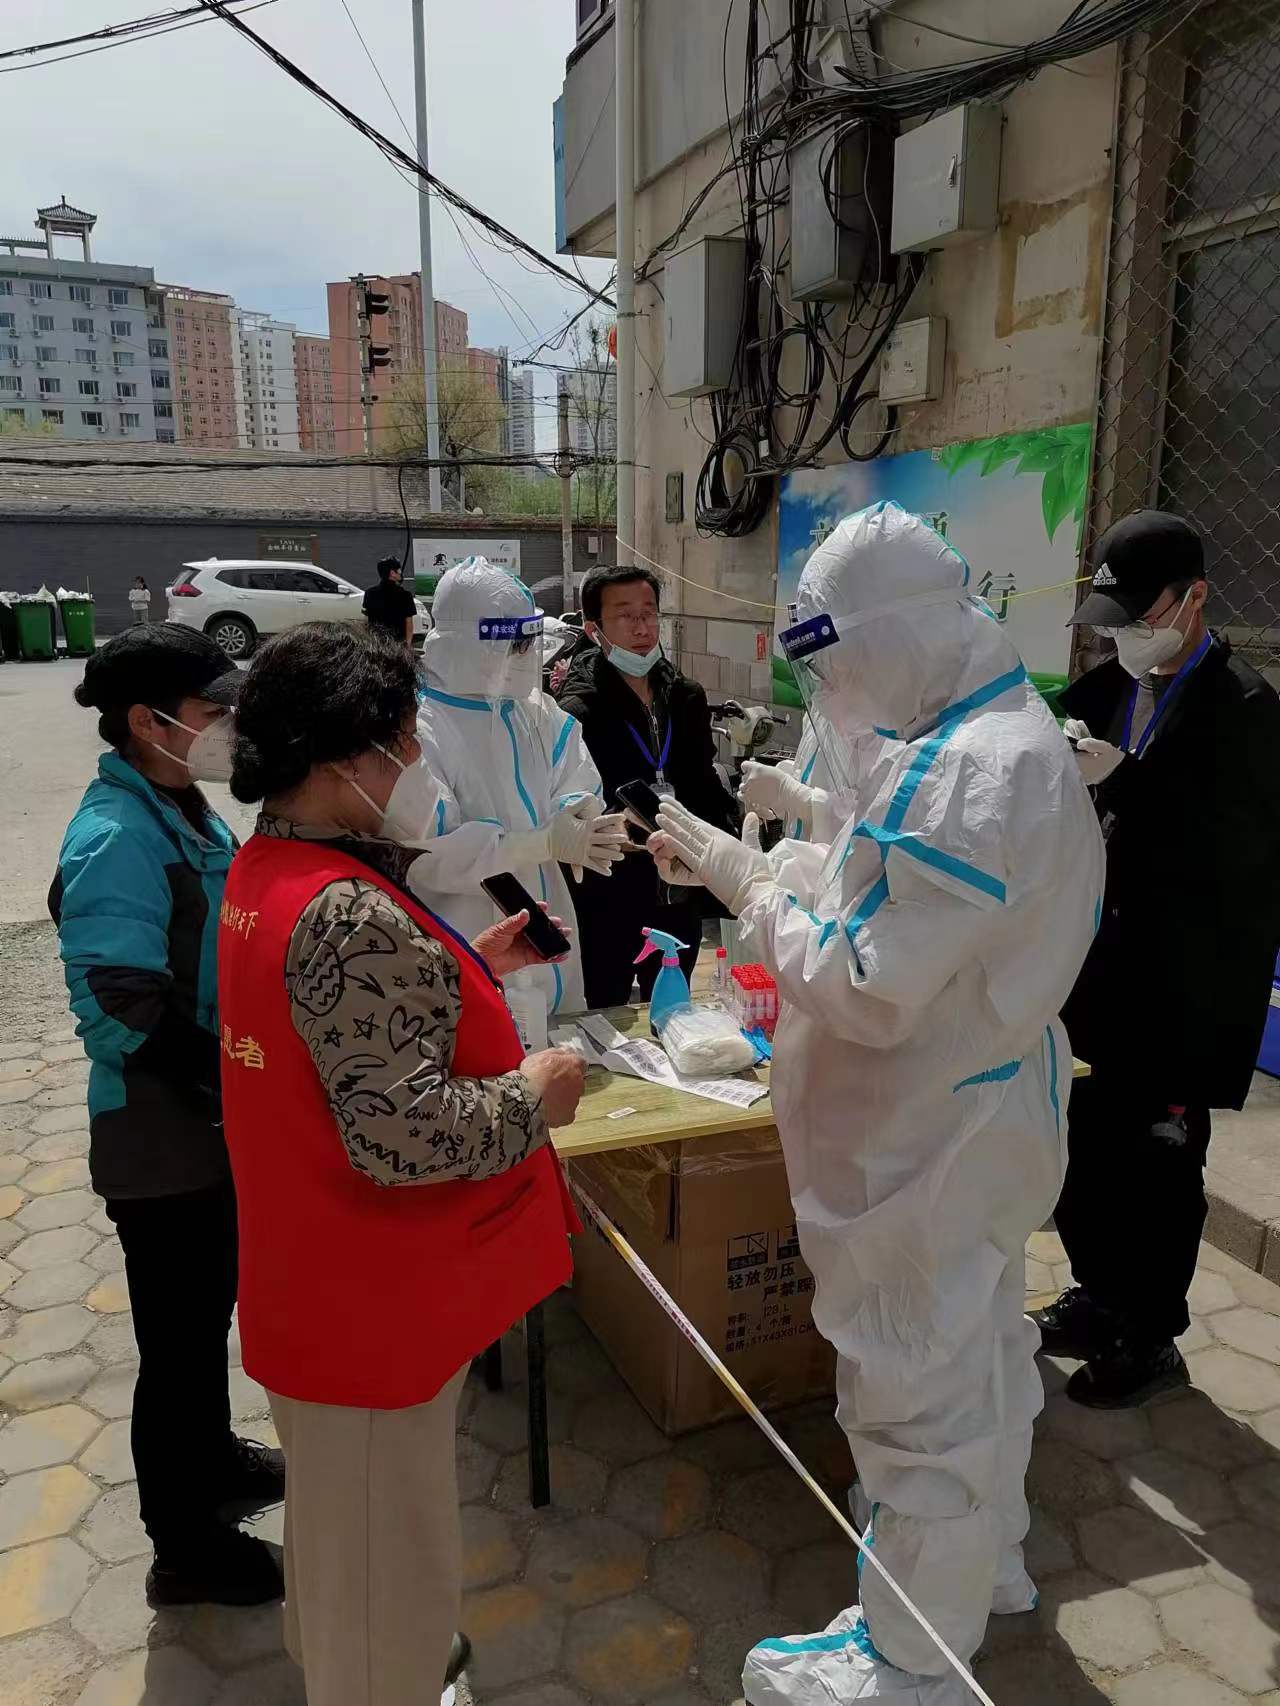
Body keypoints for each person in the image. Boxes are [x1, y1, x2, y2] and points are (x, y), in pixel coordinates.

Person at [649, 502, 1104, 1701]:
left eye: (838, 660)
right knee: (978, 1353)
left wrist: (746, 884)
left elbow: (865, 980)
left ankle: (910, 1663)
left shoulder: (969, 768)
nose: (836, 691)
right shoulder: (988, 736)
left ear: (896, 630)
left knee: (912, 1396)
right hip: (969, 1113)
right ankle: (981, 1567)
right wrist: (772, 862)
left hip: (923, 1141)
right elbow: (882, 891)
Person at [218, 621, 586, 1706]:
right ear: (341, 758)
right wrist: (535, 1092)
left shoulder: (270, 866)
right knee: (385, 1572)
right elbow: (401, 1132)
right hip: (371, 1313)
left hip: (308, 1281)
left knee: (344, 1549)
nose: (415, 758)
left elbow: (330, 1035)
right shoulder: (345, 909)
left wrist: (461, 969)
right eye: (400, 738)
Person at [50, 624, 285, 1608]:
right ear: (149, 722)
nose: (228, 724)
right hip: (161, 1137)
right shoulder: (118, 833)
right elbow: (116, 1005)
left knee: (204, 1315)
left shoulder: (180, 805)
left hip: (207, 1125)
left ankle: (213, 1458)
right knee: (178, 1342)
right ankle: (181, 1545)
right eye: (211, 709)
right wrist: (233, 1078)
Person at [1035, 509, 1280, 1408]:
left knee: (1160, 1165)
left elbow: (1239, 860)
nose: (1126, 637)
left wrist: (1128, 783)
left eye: (1141, 617)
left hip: (1179, 989)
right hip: (1094, 973)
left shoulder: (1245, 710)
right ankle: (1099, 1294)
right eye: (1116, 621)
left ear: (1195, 598)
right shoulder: (1106, 691)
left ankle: (1153, 1333)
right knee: (1083, 1146)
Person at [409, 557, 629, 1035]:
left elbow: (576, 777)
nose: (523, 653)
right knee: (486, 1049)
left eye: (528, 640)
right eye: (511, 642)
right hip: (469, 933)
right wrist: (541, 842)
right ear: (463, 643)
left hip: (550, 929)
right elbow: (430, 854)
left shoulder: (533, 711)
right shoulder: (421, 729)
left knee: (562, 1041)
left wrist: (576, 821)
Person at [557, 563, 740, 1007]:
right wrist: (617, 826)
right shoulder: (577, 710)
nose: (641, 627)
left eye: (649, 613)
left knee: (674, 1003)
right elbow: (570, 803)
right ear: (594, 629)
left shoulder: (686, 697)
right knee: (605, 1004)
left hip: (678, 883)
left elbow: (701, 779)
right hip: (609, 889)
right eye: (625, 615)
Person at [362, 554, 416, 648]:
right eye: (399, 569)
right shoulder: (405, 595)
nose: (401, 572)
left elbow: (366, 621)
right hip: (398, 646)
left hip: (376, 645)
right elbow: (409, 624)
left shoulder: (369, 593)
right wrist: (407, 646)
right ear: (392, 573)